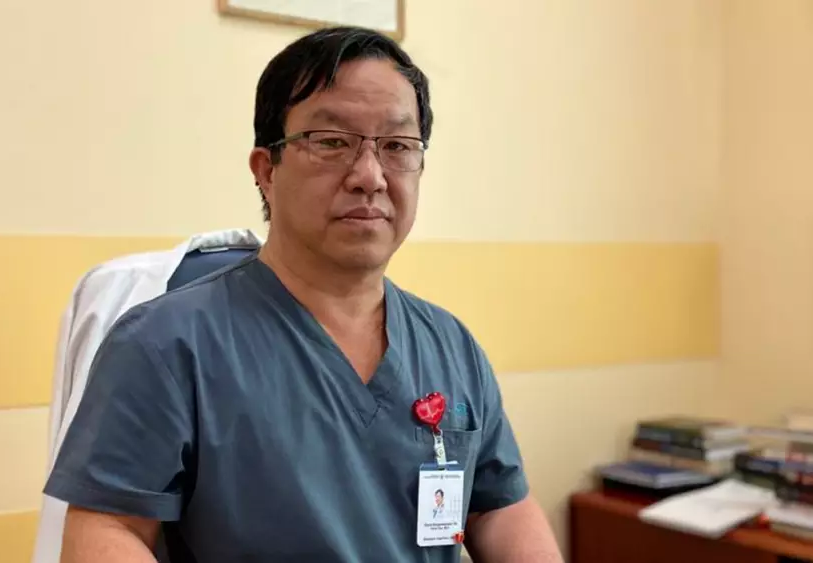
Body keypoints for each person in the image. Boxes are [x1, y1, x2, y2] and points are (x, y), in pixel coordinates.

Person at [44, 25, 563, 563]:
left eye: (396, 146)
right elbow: (109, 528)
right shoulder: (166, 345)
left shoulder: (450, 346)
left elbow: (500, 508)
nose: (370, 176)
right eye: (332, 142)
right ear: (266, 171)